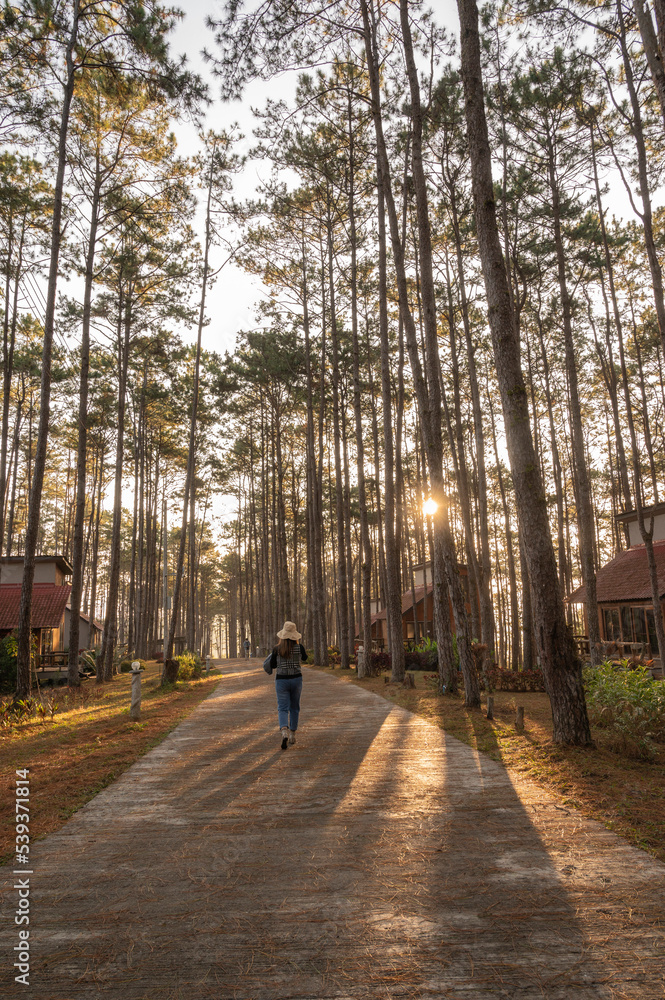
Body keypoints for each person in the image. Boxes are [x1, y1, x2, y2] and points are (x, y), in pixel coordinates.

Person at [268, 621, 307, 750]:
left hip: (281, 680)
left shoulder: (276, 649)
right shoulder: (299, 647)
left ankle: (284, 730)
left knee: (283, 708)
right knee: (294, 707)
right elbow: (305, 658)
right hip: (296, 679)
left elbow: (273, 665)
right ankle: (292, 735)